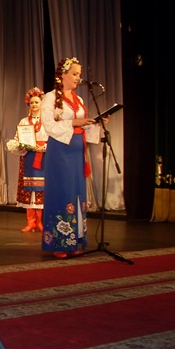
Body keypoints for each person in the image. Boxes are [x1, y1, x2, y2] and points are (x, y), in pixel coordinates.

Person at [40, 57, 105, 259]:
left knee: (77, 192)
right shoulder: (50, 97)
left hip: (77, 151)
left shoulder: (79, 100)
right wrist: (74, 122)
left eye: (79, 74)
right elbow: (48, 124)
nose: (78, 78)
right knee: (62, 191)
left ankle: (75, 240)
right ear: (63, 75)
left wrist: (96, 123)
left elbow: (82, 126)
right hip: (61, 150)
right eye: (75, 74)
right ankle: (59, 241)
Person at [10, 87, 47, 232]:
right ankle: (30, 222)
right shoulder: (24, 121)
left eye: (37, 102)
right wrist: (19, 146)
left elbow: (53, 137)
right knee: (29, 188)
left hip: (43, 157)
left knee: (41, 188)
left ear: (41, 104)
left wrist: (44, 147)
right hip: (28, 157)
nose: (34, 105)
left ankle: (40, 222)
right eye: (32, 103)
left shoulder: (47, 121)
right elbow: (17, 138)